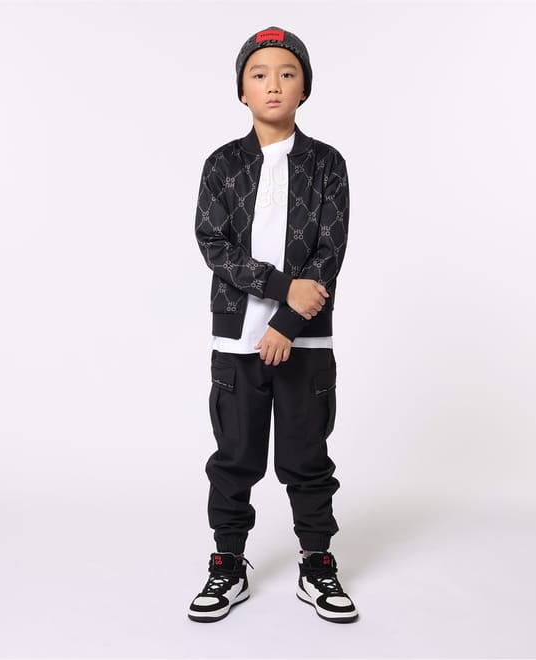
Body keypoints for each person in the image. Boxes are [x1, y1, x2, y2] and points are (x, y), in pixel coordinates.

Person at [188, 26, 357, 624]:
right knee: (235, 455)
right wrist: (283, 288)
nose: (274, 84)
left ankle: (317, 561)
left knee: (307, 454)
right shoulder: (222, 164)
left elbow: (329, 252)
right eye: (259, 75)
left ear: (304, 87)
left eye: (287, 73)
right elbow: (214, 244)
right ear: (242, 90)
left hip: (306, 340)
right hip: (236, 341)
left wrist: (286, 322)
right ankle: (227, 562)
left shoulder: (327, 164)